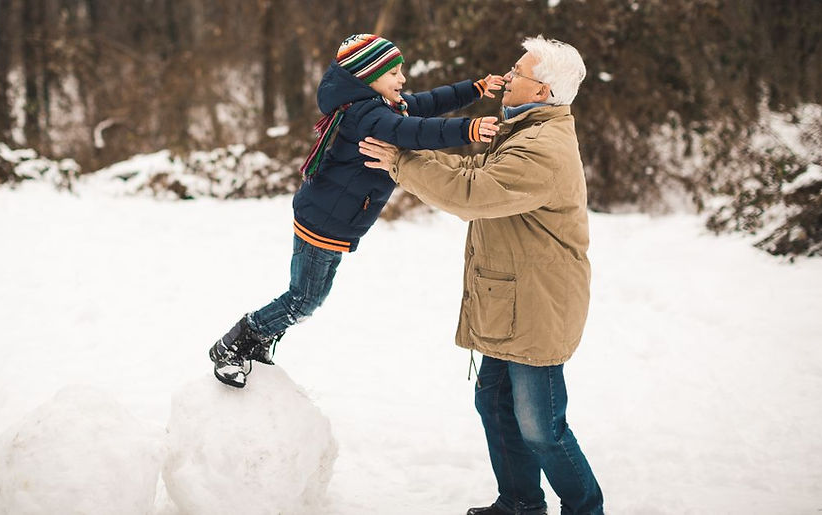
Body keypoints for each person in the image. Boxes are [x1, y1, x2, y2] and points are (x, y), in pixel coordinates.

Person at [358, 35, 604, 515]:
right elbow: (469, 164)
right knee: (494, 404)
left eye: (519, 72)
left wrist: (402, 162)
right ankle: (519, 503)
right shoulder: (521, 130)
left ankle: (585, 509)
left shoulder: (543, 146)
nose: (507, 76)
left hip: (538, 306)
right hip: (510, 300)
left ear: (541, 92)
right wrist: (409, 141)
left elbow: (473, 193)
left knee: (541, 427)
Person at [209, 33, 506, 388]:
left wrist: (474, 89)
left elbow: (426, 103)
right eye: (394, 72)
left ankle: (255, 341)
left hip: (335, 221)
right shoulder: (368, 115)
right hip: (324, 221)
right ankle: (234, 345)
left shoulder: (378, 107)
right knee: (303, 300)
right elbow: (414, 131)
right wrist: (467, 127)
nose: (402, 79)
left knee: (308, 298)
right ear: (368, 76)